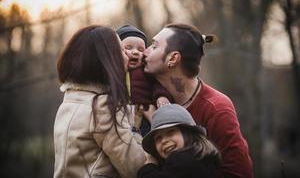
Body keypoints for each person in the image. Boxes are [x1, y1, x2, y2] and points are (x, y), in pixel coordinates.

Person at [143, 23, 253, 178]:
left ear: (173, 58)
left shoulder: (216, 108)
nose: (144, 51)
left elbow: (238, 173)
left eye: (154, 46)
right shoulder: (148, 96)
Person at [54, 25, 146, 178]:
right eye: (122, 50)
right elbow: (136, 167)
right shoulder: (102, 107)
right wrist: (135, 130)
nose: (127, 56)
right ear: (108, 59)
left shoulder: (70, 100)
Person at [116, 24, 173, 136]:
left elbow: (157, 84)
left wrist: (161, 96)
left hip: (146, 114)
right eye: (128, 48)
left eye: (141, 49)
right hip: (123, 117)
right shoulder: (115, 73)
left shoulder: (145, 70)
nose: (135, 52)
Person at [137, 104, 221, 178]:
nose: (164, 141)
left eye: (170, 132)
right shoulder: (202, 158)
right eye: (158, 138)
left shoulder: (182, 160)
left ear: (188, 132)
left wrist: (149, 166)